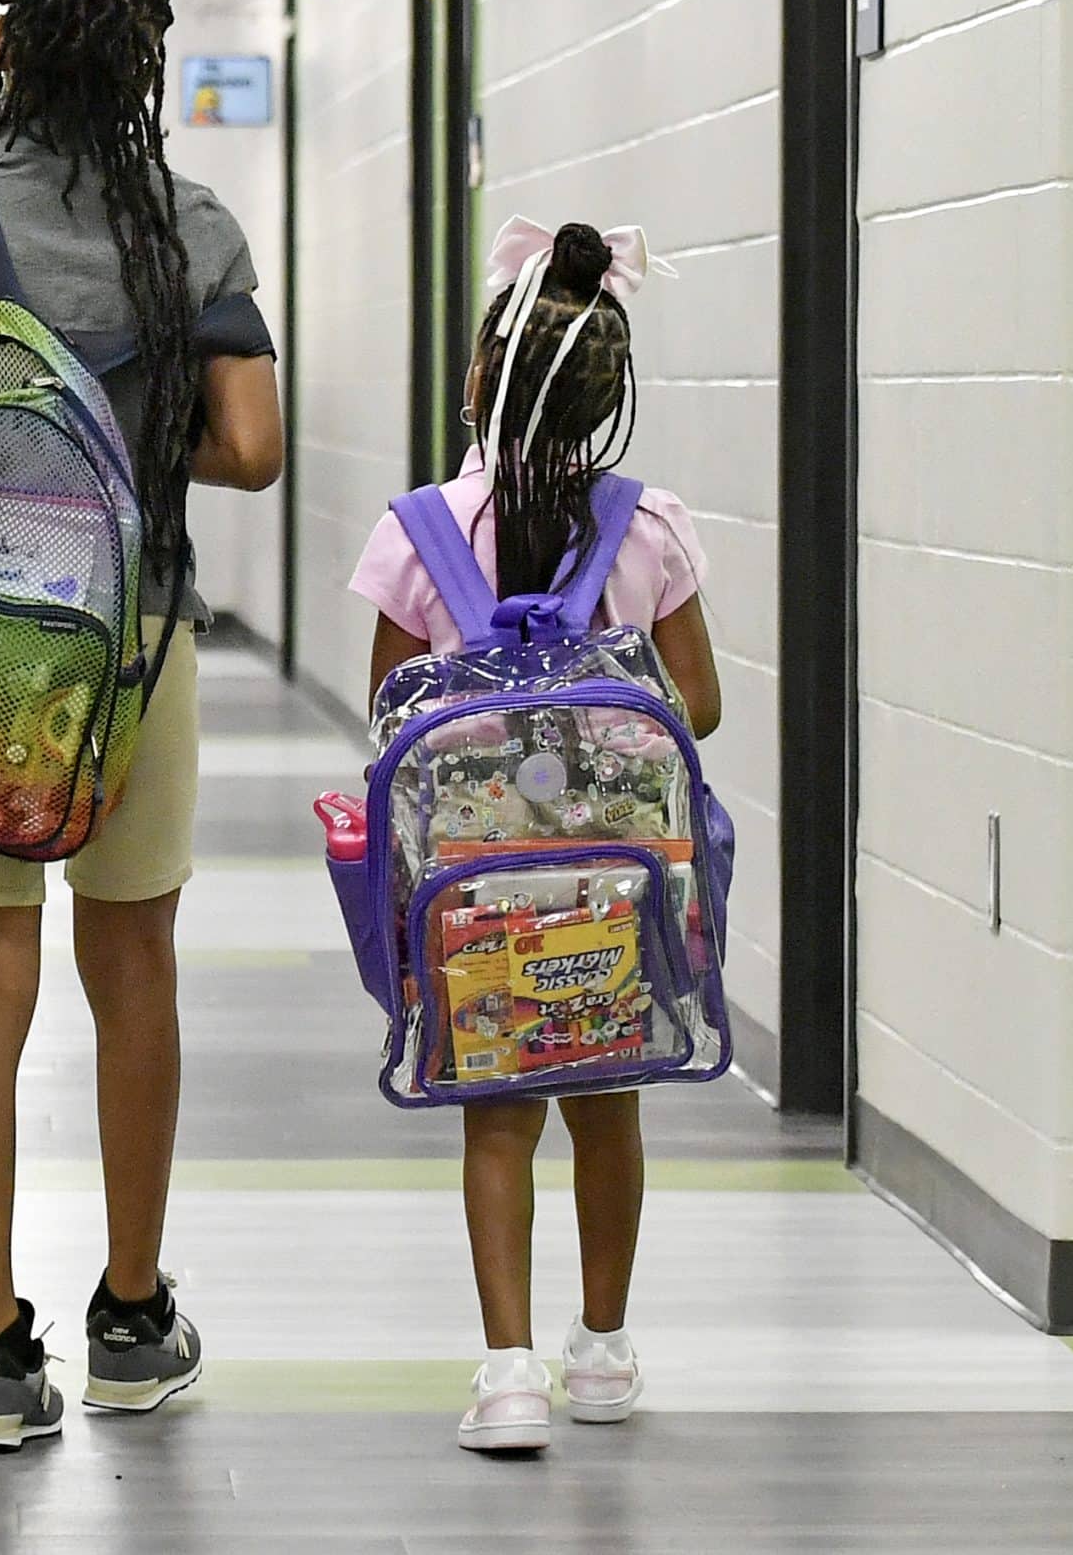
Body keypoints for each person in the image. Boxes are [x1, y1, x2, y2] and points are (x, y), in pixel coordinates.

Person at [0, 0, 285, 1452]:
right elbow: (255, 447)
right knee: (136, 971)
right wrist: (128, 437)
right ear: (148, 70)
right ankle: (134, 1314)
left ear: (1, 53)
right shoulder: (196, 223)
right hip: (136, 646)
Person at [350, 218, 722, 1454]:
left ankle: (507, 1371)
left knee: (496, 1115)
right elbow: (699, 706)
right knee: (607, 1106)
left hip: (478, 888)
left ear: (477, 382)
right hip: (615, 887)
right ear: (610, 395)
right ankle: (603, 1350)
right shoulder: (649, 526)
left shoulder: (419, 530)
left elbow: (388, 711)